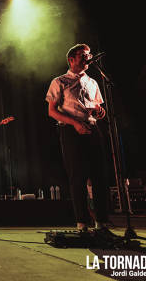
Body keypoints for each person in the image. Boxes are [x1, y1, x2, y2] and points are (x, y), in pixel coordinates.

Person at [46, 43, 112, 234]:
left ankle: (102, 222)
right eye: (83, 55)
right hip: (71, 130)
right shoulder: (59, 81)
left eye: (89, 55)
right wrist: (75, 123)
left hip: (92, 128)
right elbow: (52, 111)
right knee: (78, 177)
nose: (87, 58)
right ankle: (82, 223)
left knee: (100, 176)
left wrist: (100, 112)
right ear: (71, 59)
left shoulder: (93, 82)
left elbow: (100, 109)